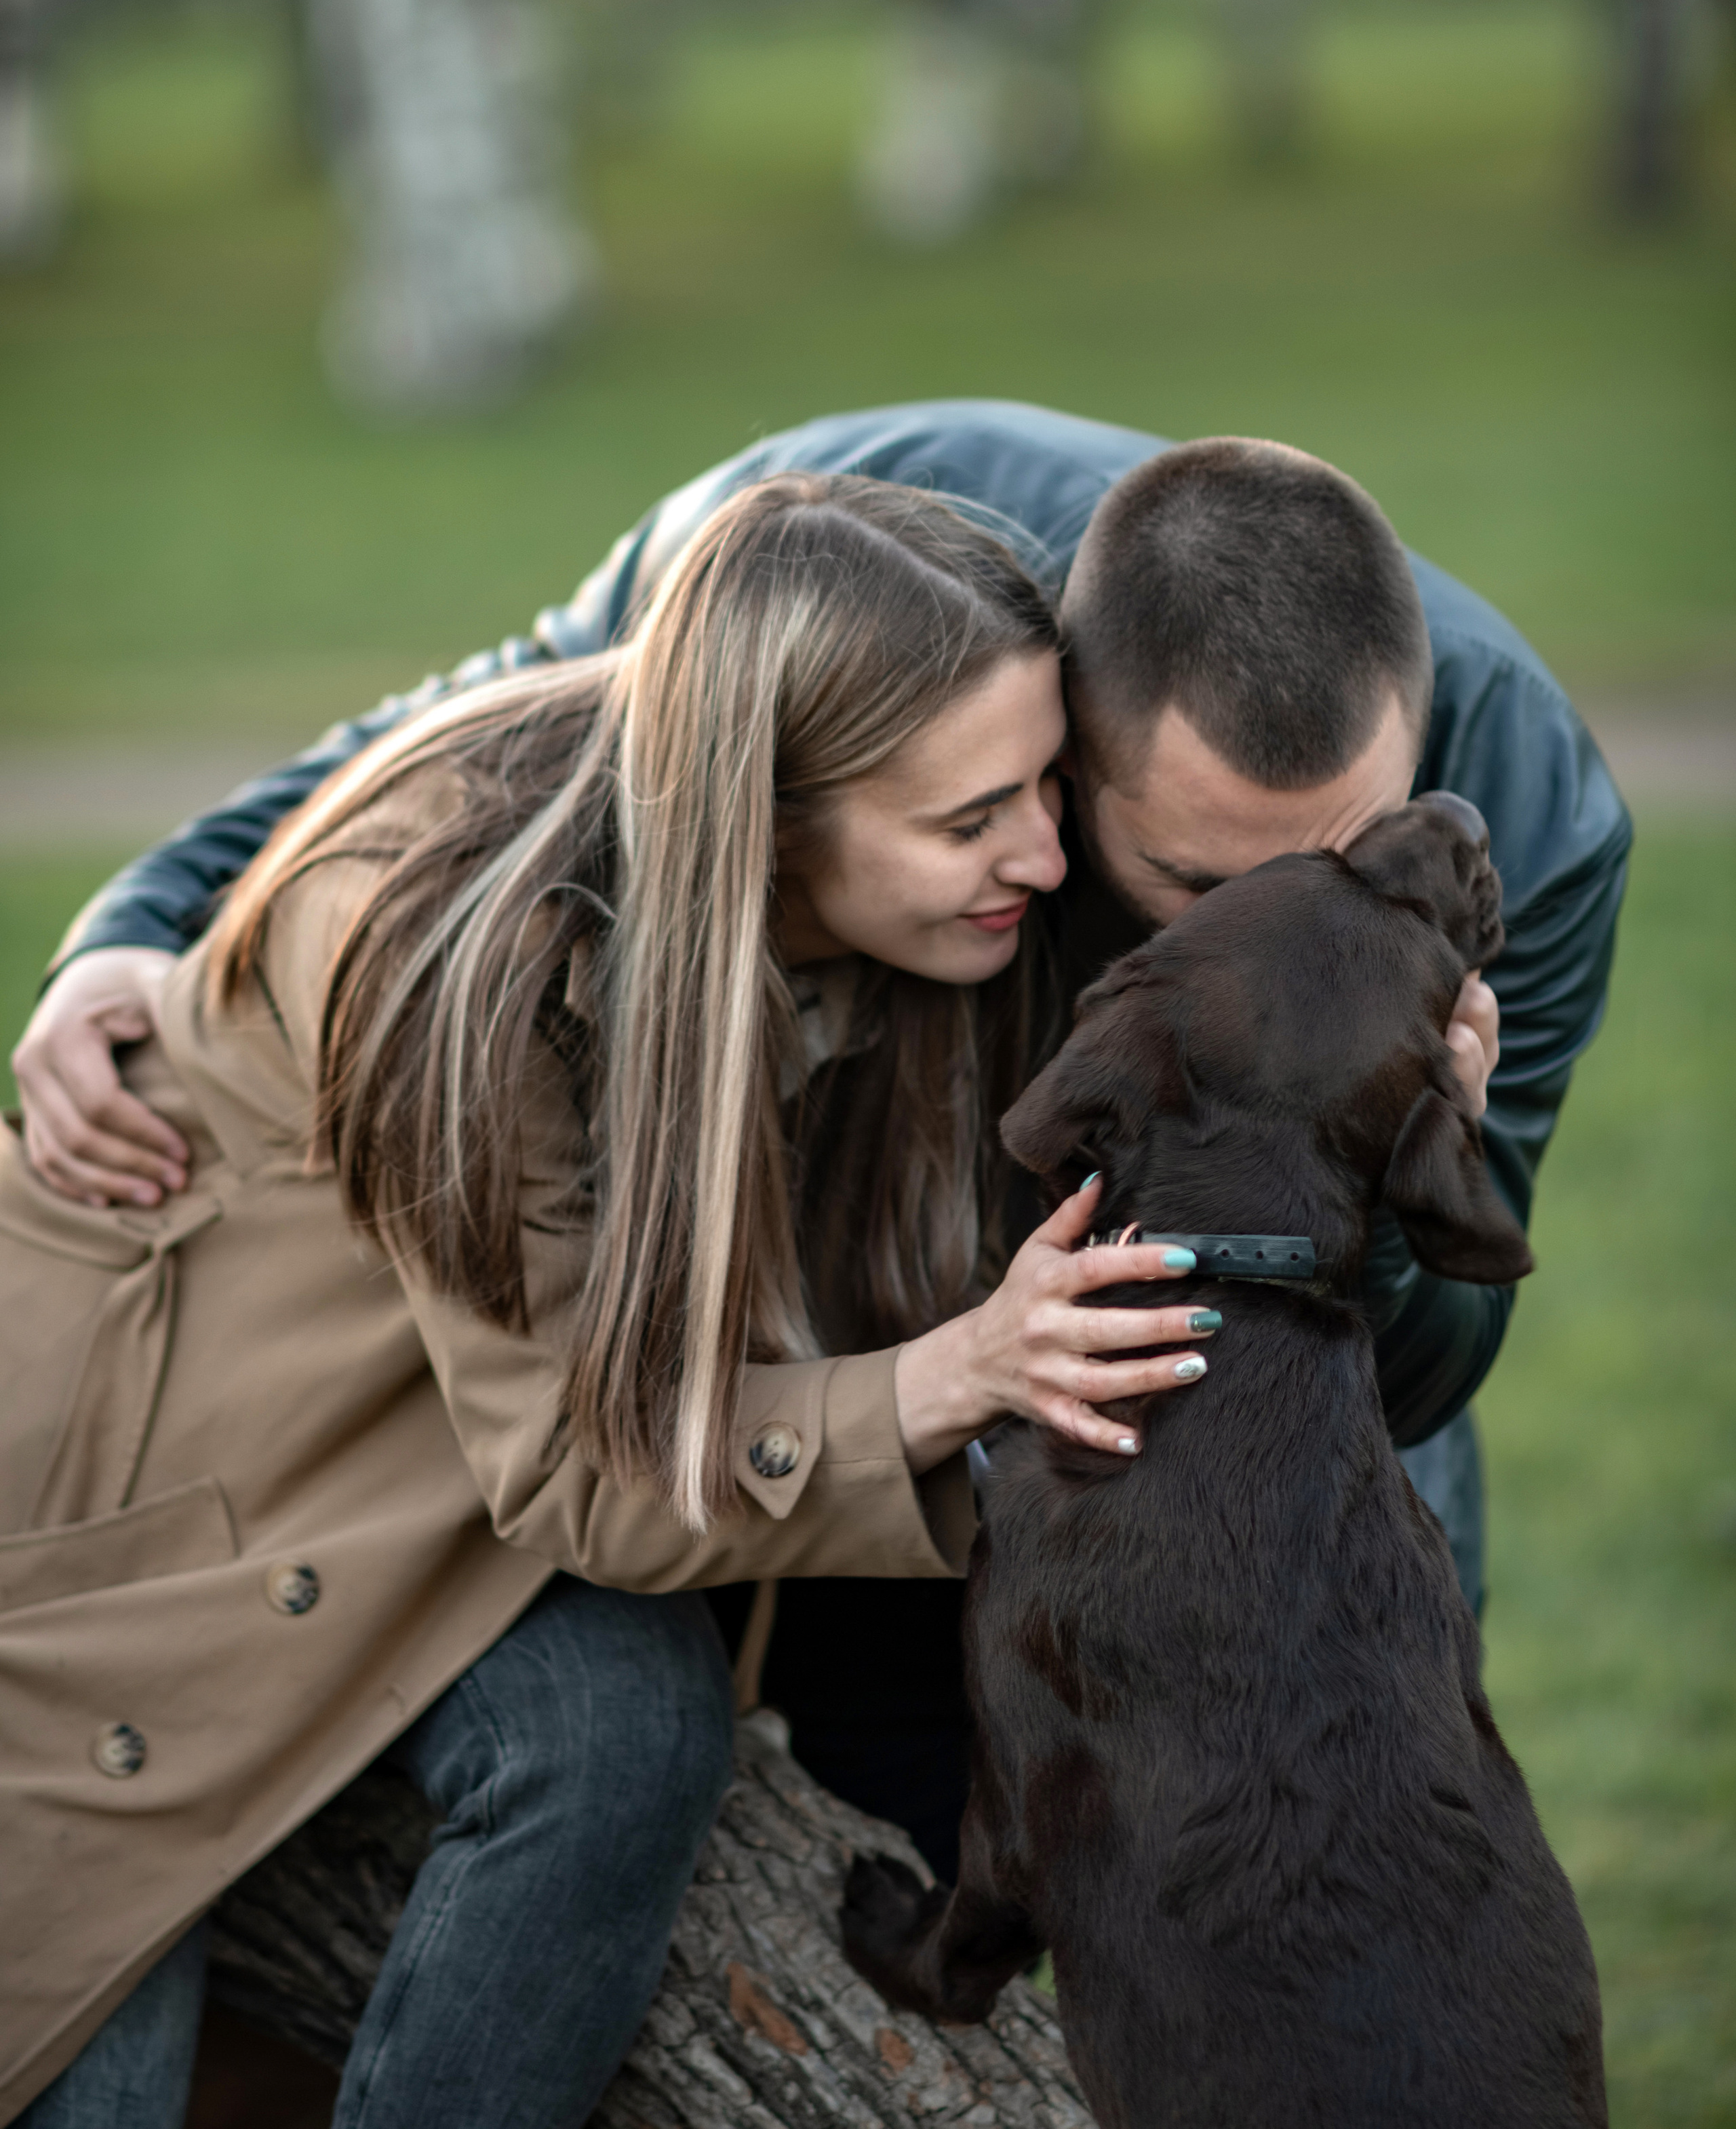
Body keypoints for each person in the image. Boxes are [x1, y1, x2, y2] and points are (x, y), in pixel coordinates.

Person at [0, 477, 1223, 2129]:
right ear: (767, 816)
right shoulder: (462, 957)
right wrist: (950, 1375)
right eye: (970, 820)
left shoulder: (910, 902)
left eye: (1043, 789)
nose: (1044, 853)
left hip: (444, 1479)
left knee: (629, 1727)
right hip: (138, 1536)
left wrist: (1386, 1088)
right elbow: (589, 1471)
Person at [16, 403, 1633, 1601]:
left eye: (1340, 869)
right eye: (1199, 889)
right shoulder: (854, 547)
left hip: (1270, 1384)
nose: (1278, 943)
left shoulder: (1537, 830)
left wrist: (1404, 1172)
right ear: (1054, 732)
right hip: (878, 1294)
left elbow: (1423, 1364)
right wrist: (143, 913)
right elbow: (501, 732)